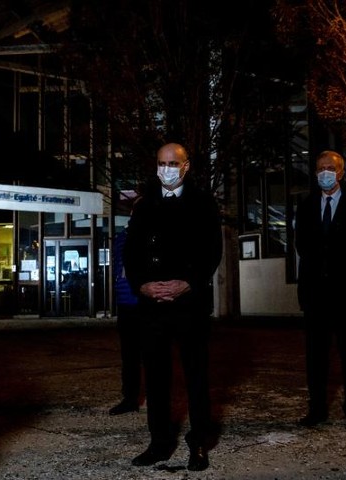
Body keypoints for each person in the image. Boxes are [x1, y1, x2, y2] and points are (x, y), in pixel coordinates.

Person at [123, 142, 222, 472]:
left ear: (186, 166)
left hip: (189, 303)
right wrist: (142, 285)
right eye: (161, 162)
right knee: (156, 377)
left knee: (195, 376)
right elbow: (130, 252)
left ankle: (199, 443)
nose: (166, 168)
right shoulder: (144, 205)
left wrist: (187, 282)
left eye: (172, 163)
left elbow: (212, 251)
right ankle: (159, 442)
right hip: (151, 304)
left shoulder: (203, 203)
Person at [294, 150, 346, 429]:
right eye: (320, 168)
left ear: (341, 172)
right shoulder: (306, 205)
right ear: (315, 173)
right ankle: (317, 409)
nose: (325, 173)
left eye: (330, 168)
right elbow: (302, 245)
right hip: (315, 295)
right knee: (316, 356)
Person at [108, 205, 143, 416]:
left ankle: (138, 397)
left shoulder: (147, 235)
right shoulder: (122, 237)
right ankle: (130, 397)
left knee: (148, 354)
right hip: (127, 303)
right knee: (129, 355)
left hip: (143, 302)